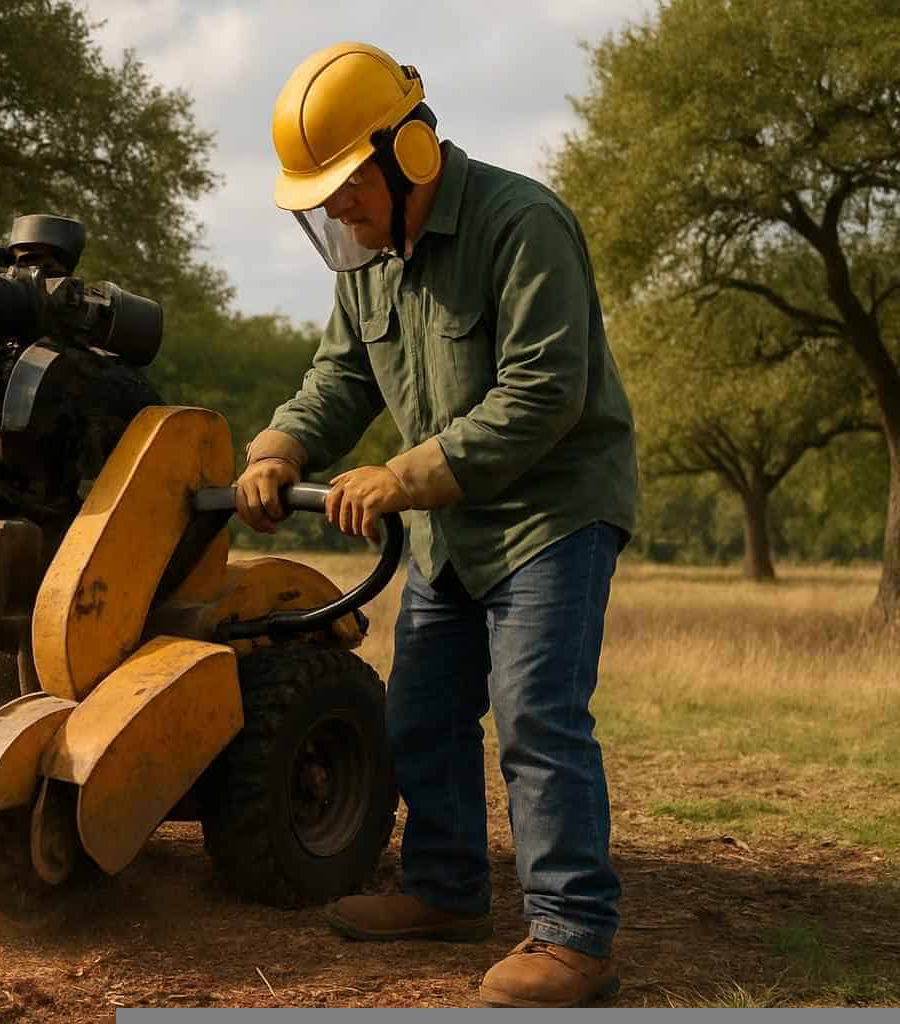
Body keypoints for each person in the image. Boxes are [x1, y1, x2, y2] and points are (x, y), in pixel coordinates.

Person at [237, 42, 639, 1008]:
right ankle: (447, 891)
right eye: (322, 198)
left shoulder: (523, 224)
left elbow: (544, 392)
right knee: (419, 712)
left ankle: (574, 936)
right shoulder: (368, 260)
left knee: (537, 716)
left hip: (550, 513)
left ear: (409, 151)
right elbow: (341, 376)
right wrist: (279, 448)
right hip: (447, 529)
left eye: (347, 186)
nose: (339, 212)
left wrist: (402, 476)